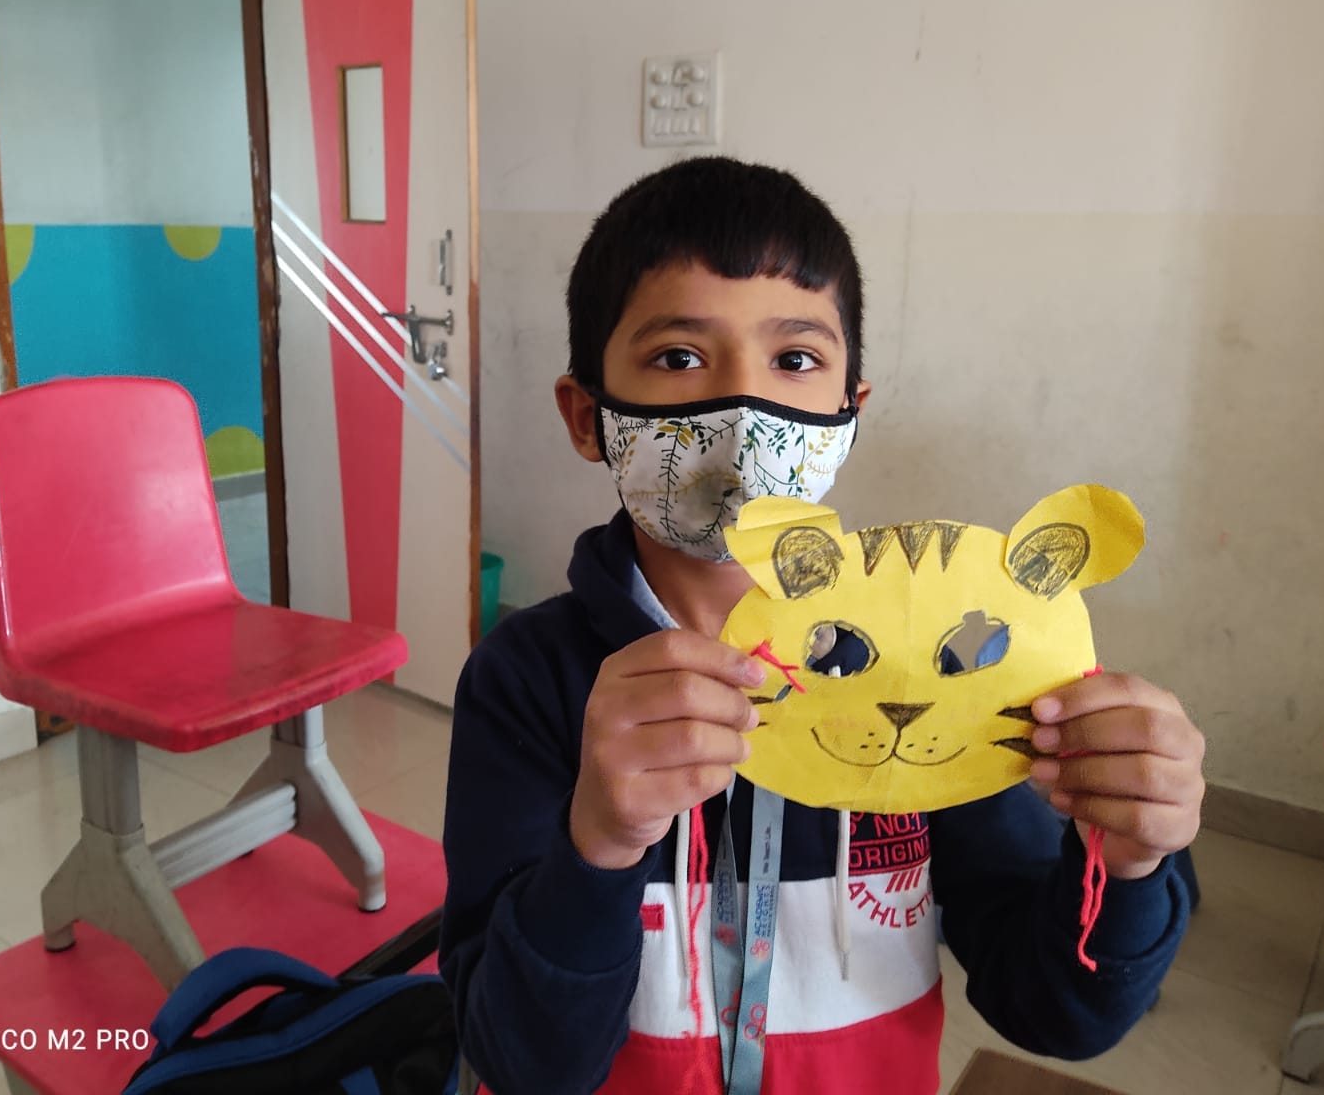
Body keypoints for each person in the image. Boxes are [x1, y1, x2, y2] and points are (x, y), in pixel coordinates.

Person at [439, 157, 1205, 1095]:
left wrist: (1126, 868)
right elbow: (519, 1061)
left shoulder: (948, 669)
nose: (743, 410)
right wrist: (596, 844)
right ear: (587, 416)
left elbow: (1057, 1011)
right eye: (678, 357)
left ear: (850, 413)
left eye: (795, 360)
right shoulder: (526, 678)